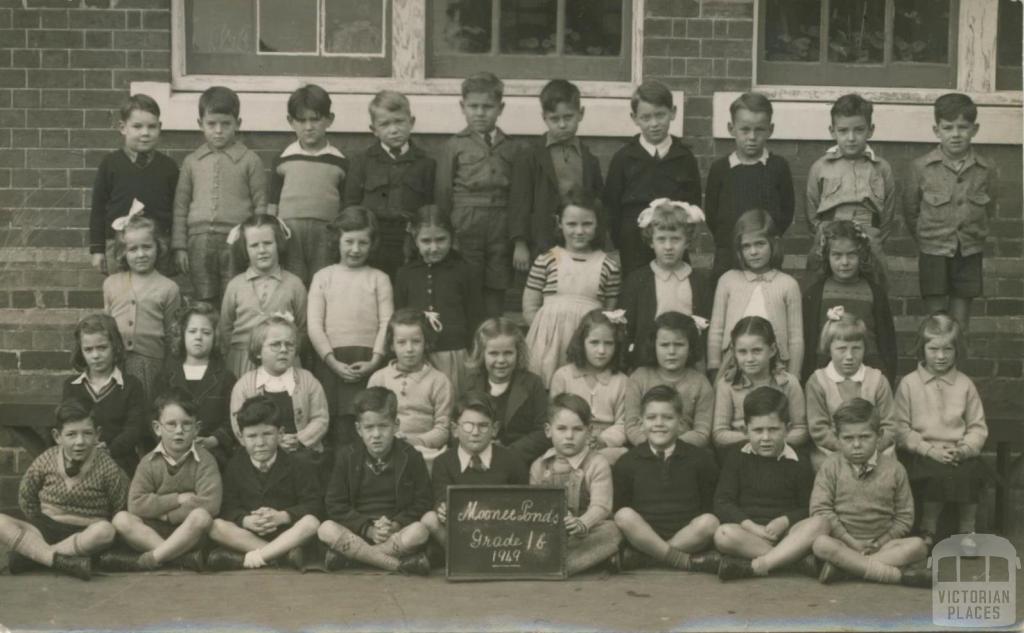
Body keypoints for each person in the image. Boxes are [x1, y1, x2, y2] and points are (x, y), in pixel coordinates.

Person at [0, 400, 128, 580]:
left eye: (87, 434)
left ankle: (38, 556)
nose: (80, 442)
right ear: (57, 436)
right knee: (1, 522)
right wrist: (39, 520)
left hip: (85, 533)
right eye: (71, 435)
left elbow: (120, 504)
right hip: (46, 528)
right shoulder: (47, 459)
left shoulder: (107, 467)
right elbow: (26, 496)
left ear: (97, 435)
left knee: (106, 531)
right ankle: (60, 560)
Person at [810, 398, 931, 588]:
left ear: (879, 435)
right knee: (821, 544)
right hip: (842, 543)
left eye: (865, 437)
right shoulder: (830, 466)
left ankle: (846, 569)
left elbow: (904, 517)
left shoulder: (895, 469)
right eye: (848, 438)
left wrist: (881, 541)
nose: (856, 444)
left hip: (882, 545)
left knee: (918, 546)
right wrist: (850, 541)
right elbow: (820, 509)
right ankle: (889, 573)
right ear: (837, 437)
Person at [903, 93, 997, 332]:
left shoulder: (985, 169)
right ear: (937, 130)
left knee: (960, 323)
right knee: (936, 322)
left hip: (969, 252)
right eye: (948, 127)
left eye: (963, 127)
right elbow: (911, 211)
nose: (955, 134)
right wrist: (928, 239)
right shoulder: (921, 168)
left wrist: (973, 234)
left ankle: (957, 369)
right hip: (933, 251)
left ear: (974, 129)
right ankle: (934, 368)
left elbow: (989, 207)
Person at [713, 387, 827, 581]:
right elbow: (723, 502)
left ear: (788, 429)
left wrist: (785, 521)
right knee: (722, 534)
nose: (765, 438)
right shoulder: (736, 457)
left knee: (821, 523)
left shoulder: (799, 461)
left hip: (787, 534)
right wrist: (752, 527)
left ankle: (761, 564)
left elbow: (807, 506)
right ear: (745, 430)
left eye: (773, 430)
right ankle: (793, 560)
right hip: (749, 534)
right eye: (758, 430)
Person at [894, 312, 988, 547]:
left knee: (970, 473)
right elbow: (900, 428)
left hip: (957, 451)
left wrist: (965, 449)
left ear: (957, 351)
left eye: (948, 350)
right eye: (933, 349)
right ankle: (928, 529)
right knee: (934, 475)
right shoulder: (909, 384)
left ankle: (967, 531)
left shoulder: (965, 384)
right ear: (922, 349)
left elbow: (977, 426)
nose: (941, 356)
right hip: (923, 452)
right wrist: (927, 449)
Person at [317, 387, 433, 575]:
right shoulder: (347, 456)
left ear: (396, 425)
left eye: (383, 426)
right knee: (326, 529)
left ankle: (354, 560)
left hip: (394, 534)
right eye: (369, 427)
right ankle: (396, 565)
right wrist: (368, 529)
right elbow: (335, 504)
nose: (376, 434)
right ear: (358, 429)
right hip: (356, 533)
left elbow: (423, 502)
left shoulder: (411, 456)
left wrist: (395, 524)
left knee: (420, 531)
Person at [172, 85, 267, 305]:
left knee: (234, 296)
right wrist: (180, 246)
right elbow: (180, 207)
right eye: (211, 124)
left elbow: (260, 206)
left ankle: (229, 339)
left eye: (226, 124)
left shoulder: (250, 160)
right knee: (203, 298)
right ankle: (207, 337)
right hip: (199, 242)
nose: (218, 130)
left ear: (238, 124)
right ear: (200, 125)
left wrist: (255, 242)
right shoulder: (192, 162)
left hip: (236, 242)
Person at [435, 71, 520, 318]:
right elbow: (443, 193)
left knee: (497, 282)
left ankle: (492, 342)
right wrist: (447, 232)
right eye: (473, 106)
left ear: (500, 108)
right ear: (463, 107)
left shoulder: (512, 147)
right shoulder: (454, 146)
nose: (480, 113)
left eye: (487, 107)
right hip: (465, 222)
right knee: (467, 281)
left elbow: (517, 194)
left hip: (500, 224)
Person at [108, 390, 221, 571]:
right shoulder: (148, 462)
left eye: (186, 424)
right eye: (171, 424)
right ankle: (180, 558)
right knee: (121, 519)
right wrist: (177, 499)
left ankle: (155, 557)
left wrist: (166, 514)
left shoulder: (205, 460)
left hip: (188, 533)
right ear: (157, 428)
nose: (179, 431)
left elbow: (210, 504)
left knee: (201, 517)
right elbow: (136, 505)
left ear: (197, 429)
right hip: (152, 531)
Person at [207, 394, 322, 571]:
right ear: (241, 437)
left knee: (311, 523)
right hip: (250, 535)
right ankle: (280, 555)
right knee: (215, 526)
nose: (260, 443)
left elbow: (313, 504)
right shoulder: (235, 465)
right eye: (252, 436)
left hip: (288, 532)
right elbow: (228, 506)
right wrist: (245, 520)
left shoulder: (298, 464)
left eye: (267, 434)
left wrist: (283, 516)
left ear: (280, 434)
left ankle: (258, 557)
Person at [308, 206, 392, 447]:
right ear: (338, 240)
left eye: (363, 243)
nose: (355, 249)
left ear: (372, 244)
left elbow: (387, 322)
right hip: (332, 362)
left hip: (367, 360)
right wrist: (331, 361)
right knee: (336, 430)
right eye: (349, 241)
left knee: (367, 424)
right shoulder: (324, 277)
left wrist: (375, 361)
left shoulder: (379, 278)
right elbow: (314, 324)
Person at [613, 385, 720, 572]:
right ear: (641, 423)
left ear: (681, 423)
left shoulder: (701, 459)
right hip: (643, 535)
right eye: (651, 417)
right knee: (623, 515)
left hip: (687, 535)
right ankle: (680, 560)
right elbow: (621, 505)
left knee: (709, 521)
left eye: (668, 417)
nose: (659, 423)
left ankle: (648, 559)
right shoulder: (627, 462)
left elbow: (708, 504)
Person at [523, 189, 621, 387]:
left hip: (587, 341)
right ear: (559, 223)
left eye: (587, 224)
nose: (579, 231)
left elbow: (609, 312)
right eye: (571, 224)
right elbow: (530, 305)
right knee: (546, 385)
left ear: (597, 225)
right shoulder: (547, 259)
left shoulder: (608, 264)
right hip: (549, 341)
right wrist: (544, 334)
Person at [603, 80, 701, 274]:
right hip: (633, 246)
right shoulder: (624, 158)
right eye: (646, 118)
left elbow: (693, 202)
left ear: (673, 112)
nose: (654, 124)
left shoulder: (684, 157)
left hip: (672, 244)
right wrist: (620, 243)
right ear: (634, 118)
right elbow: (611, 206)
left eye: (660, 115)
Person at [509, 79, 604, 267]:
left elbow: (598, 202)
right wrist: (520, 243)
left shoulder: (589, 159)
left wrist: (600, 242)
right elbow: (520, 202)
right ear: (544, 117)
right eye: (554, 119)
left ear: (581, 114)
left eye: (568, 117)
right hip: (541, 238)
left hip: (579, 237)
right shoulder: (530, 156)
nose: (562, 125)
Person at [343, 90, 436, 281]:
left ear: (412, 122)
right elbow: (351, 206)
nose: (393, 130)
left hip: (409, 240)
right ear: (374, 129)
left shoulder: (425, 163)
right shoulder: (362, 161)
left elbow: (430, 207)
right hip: (373, 241)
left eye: (399, 121)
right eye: (385, 124)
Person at [421, 394, 529, 557]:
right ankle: (467, 557)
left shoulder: (512, 460)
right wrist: (443, 508)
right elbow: (441, 496)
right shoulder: (443, 462)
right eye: (468, 426)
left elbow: (523, 502)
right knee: (430, 519)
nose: (475, 432)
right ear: (455, 429)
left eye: (483, 426)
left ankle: (484, 558)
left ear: (495, 429)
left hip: (501, 533)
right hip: (461, 530)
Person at [704, 92, 794, 282]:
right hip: (728, 256)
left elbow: (786, 212)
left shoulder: (777, 167)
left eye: (759, 130)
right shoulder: (720, 169)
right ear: (731, 128)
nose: (752, 137)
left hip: (765, 257)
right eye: (745, 129)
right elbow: (712, 215)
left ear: (770, 130)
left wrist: (766, 242)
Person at [528, 393, 622, 576]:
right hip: (551, 532)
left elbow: (601, 506)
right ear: (548, 430)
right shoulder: (539, 466)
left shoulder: (597, 463)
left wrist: (581, 523)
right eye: (561, 429)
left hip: (587, 531)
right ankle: (589, 561)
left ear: (589, 431)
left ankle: (554, 565)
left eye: (577, 429)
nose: (569, 436)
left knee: (613, 531)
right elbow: (534, 507)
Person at [395, 205, 483, 397]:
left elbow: (474, 316)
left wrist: (473, 355)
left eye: (441, 239)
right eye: (426, 241)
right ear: (415, 240)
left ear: (451, 237)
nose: (434, 247)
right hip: (417, 357)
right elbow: (399, 318)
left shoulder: (465, 271)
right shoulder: (405, 274)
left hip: (455, 355)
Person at [806, 93, 895, 282]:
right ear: (832, 131)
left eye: (859, 130)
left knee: (876, 280)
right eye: (843, 131)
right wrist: (823, 233)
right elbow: (811, 208)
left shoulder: (881, 168)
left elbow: (888, 214)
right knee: (817, 279)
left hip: (868, 233)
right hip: (829, 232)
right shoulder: (821, 167)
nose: (851, 138)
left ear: (870, 130)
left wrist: (874, 237)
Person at [89, 93, 178, 276]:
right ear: (123, 128)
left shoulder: (168, 167)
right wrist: (97, 250)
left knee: (155, 295)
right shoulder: (111, 164)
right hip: (119, 245)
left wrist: (175, 247)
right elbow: (98, 209)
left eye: (151, 126)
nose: (145, 133)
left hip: (157, 247)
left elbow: (177, 211)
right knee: (121, 293)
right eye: (137, 126)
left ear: (160, 128)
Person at [708, 208, 802, 381]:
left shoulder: (788, 284)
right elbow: (716, 329)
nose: (753, 252)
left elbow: (795, 337)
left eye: (760, 244)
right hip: (733, 363)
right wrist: (714, 365)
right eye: (746, 246)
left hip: (776, 365)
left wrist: (794, 374)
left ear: (773, 244)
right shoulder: (727, 280)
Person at [230, 314, 330, 475]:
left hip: (302, 452)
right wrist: (273, 443)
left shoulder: (308, 380)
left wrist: (300, 439)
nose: (284, 349)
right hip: (261, 453)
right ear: (258, 351)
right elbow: (238, 426)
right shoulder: (244, 385)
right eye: (275, 345)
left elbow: (321, 418)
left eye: (289, 344)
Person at [618, 198, 711, 369]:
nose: (668, 246)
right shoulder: (638, 281)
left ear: (688, 242)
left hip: (687, 365)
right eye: (661, 239)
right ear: (651, 242)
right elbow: (627, 329)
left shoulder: (699, 282)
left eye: (675, 239)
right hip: (647, 365)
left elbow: (705, 328)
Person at [268, 84, 347, 285]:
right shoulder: (283, 158)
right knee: (293, 280)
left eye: (315, 119)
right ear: (290, 122)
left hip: (326, 232)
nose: (308, 127)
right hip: (291, 232)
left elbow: (346, 205)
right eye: (301, 120)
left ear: (329, 120)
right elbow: (272, 201)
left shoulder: (340, 160)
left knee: (322, 280)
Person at [801, 220, 897, 385]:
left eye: (851, 254)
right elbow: (809, 340)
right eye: (837, 255)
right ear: (826, 256)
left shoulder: (875, 292)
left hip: (868, 371)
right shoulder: (815, 293)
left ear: (862, 255)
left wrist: (886, 378)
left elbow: (887, 341)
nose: (844, 262)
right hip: (825, 374)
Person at [103, 212, 181, 401]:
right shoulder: (111, 284)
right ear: (123, 252)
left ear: (158, 247)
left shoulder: (168, 288)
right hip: (115, 364)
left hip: (151, 364)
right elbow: (106, 327)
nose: (141, 254)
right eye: (133, 249)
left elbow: (172, 335)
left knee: (146, 408)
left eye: (147, 247)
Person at [805, 310, 896, 471]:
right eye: (841, 349)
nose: (849, 356)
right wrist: (848, 450)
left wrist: (869, 449)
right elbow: (818, 429)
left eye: (856, 348)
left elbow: (890, 425)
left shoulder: (877, 380)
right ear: (829, 348)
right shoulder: (817, 381)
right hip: (832, 452)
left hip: (875, 451)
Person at [220, 214, 307, 377]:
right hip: (241, 362)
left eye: (268, 243)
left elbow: (302, 329)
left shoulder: (294, 284)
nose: (262, 250)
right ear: (245, 249)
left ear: (278, 244)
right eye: (254, 245)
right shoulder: (235, 285)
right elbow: (225, 328)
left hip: (283, 362)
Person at [62, 313, 147, 476]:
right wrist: (86, 450)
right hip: (80, 460)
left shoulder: (131, 385)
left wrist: (108, 449)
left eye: (102, 347)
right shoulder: (72, 386)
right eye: (88, 349)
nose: (95, 355)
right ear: (81, 351)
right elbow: (68, 424)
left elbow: (133, 429)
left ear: (114, 346)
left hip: (119, 461)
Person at [155, 301, 236, 469]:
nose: (198, 337)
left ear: (215, 337)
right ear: (182, 335)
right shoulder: (166, 375)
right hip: (170, 455)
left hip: (213, 455)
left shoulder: (225, 377)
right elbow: (152, 415)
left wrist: (213, 440)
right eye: (192, 331)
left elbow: (232, 420)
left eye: (206, 332)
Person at [367, 309, 454, 464]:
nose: (409, 349)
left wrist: (414, 441)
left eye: (416, 341)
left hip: (425, 453)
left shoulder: (439, 381)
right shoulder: (379, 379)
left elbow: (443, 430)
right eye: (401, 342)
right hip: (385, 451)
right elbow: (369, 422)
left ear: (425, 343)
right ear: (392, 345)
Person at [462, 317, 550, 465]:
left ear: (518, 353)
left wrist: (509, 453)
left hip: (520, 460)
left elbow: (543, 431)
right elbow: (461, 425)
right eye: (493, 353)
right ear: (482, 354)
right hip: (479, 459)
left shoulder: (532, 384)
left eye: (508, 353)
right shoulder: (471, 383)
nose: (501, 360)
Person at [712, 316, 807, 451]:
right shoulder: (727, 385)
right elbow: (719, 434)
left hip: (781, 451)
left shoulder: (789, 383)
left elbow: (801, 429)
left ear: (772, 350)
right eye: (742, 352)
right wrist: (755, 439)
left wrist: (775, 441)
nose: (750, 359)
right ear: (734, 352)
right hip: (740, 451)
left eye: (757, 351)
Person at [550, 309, 631, 465]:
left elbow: (623, 422)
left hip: (607, 447)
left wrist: (603, 440)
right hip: (569, 440)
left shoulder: (622, 381)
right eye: (594, 343)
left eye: (608, 344)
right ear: (581, 342)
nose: (601, 351)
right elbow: (554, 417)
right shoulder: (563, 376)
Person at [624, 312, 714, 449]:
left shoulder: (701, 383)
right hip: (645, 451)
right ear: (653, 346)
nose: (672, 351)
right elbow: (631, 426)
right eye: (664, 345)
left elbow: (702, 432)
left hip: (685, 452)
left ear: (690, 347)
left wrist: (673, 448)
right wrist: (651, 447)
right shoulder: (639, 378)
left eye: (679, 344)